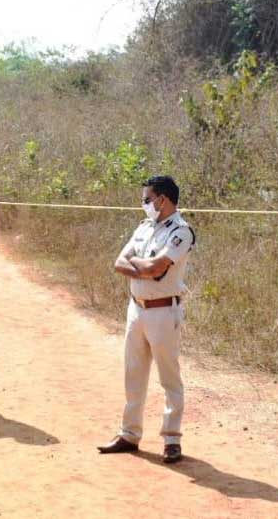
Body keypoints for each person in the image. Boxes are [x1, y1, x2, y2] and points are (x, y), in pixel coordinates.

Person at [98, 176, 195, 464]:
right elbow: (119, 263)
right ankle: (129, 434)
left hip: (164, 312)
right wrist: (145, 269)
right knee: (134, 374)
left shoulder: (182, 232)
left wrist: (141, 267)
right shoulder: (144, 228)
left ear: (162, 199)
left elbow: (156, 268)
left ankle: (171, 439)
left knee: (169, 378)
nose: (144, 204)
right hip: (136, 309)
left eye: (147, 198)